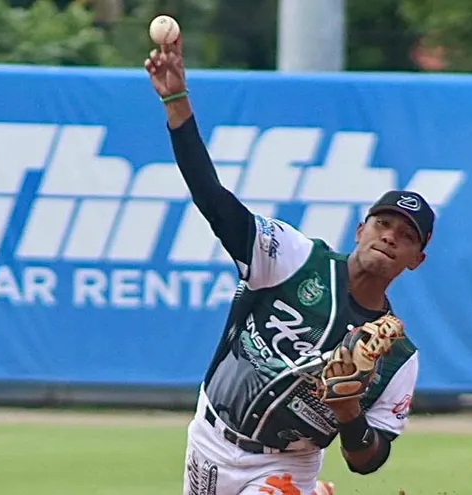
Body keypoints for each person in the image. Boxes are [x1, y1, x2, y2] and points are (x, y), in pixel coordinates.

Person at [144, 36, 427, 495]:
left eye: (408, 235)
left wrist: (350, 412)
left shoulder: (399, 358)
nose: (392, 235)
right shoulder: (296, 258)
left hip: (288, 465)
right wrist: (176, 104)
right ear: (360, 229)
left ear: (417, 260)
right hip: (209, 437)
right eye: (383, 223)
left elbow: (370, 461)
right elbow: (216, 203)